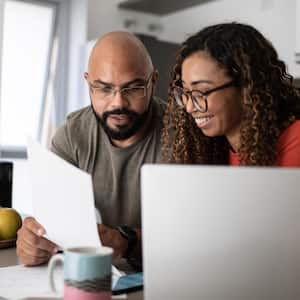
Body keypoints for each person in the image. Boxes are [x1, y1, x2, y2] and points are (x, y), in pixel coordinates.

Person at [17, 31, 165, 268]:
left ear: (153, 81)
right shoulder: (71, 136)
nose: (118, 103)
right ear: (88, 83)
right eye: (104, 89)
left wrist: (126, 241)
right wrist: (34, 243)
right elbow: (53, 227)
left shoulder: (183, 136)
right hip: (93, 278)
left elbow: (198, 234)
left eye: (133, 88)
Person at [161, 22, 300, 166]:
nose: (189, 107)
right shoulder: (212, 148)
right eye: (185, 92)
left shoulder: (295, 142)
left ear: (246, 87)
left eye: (201, 92)